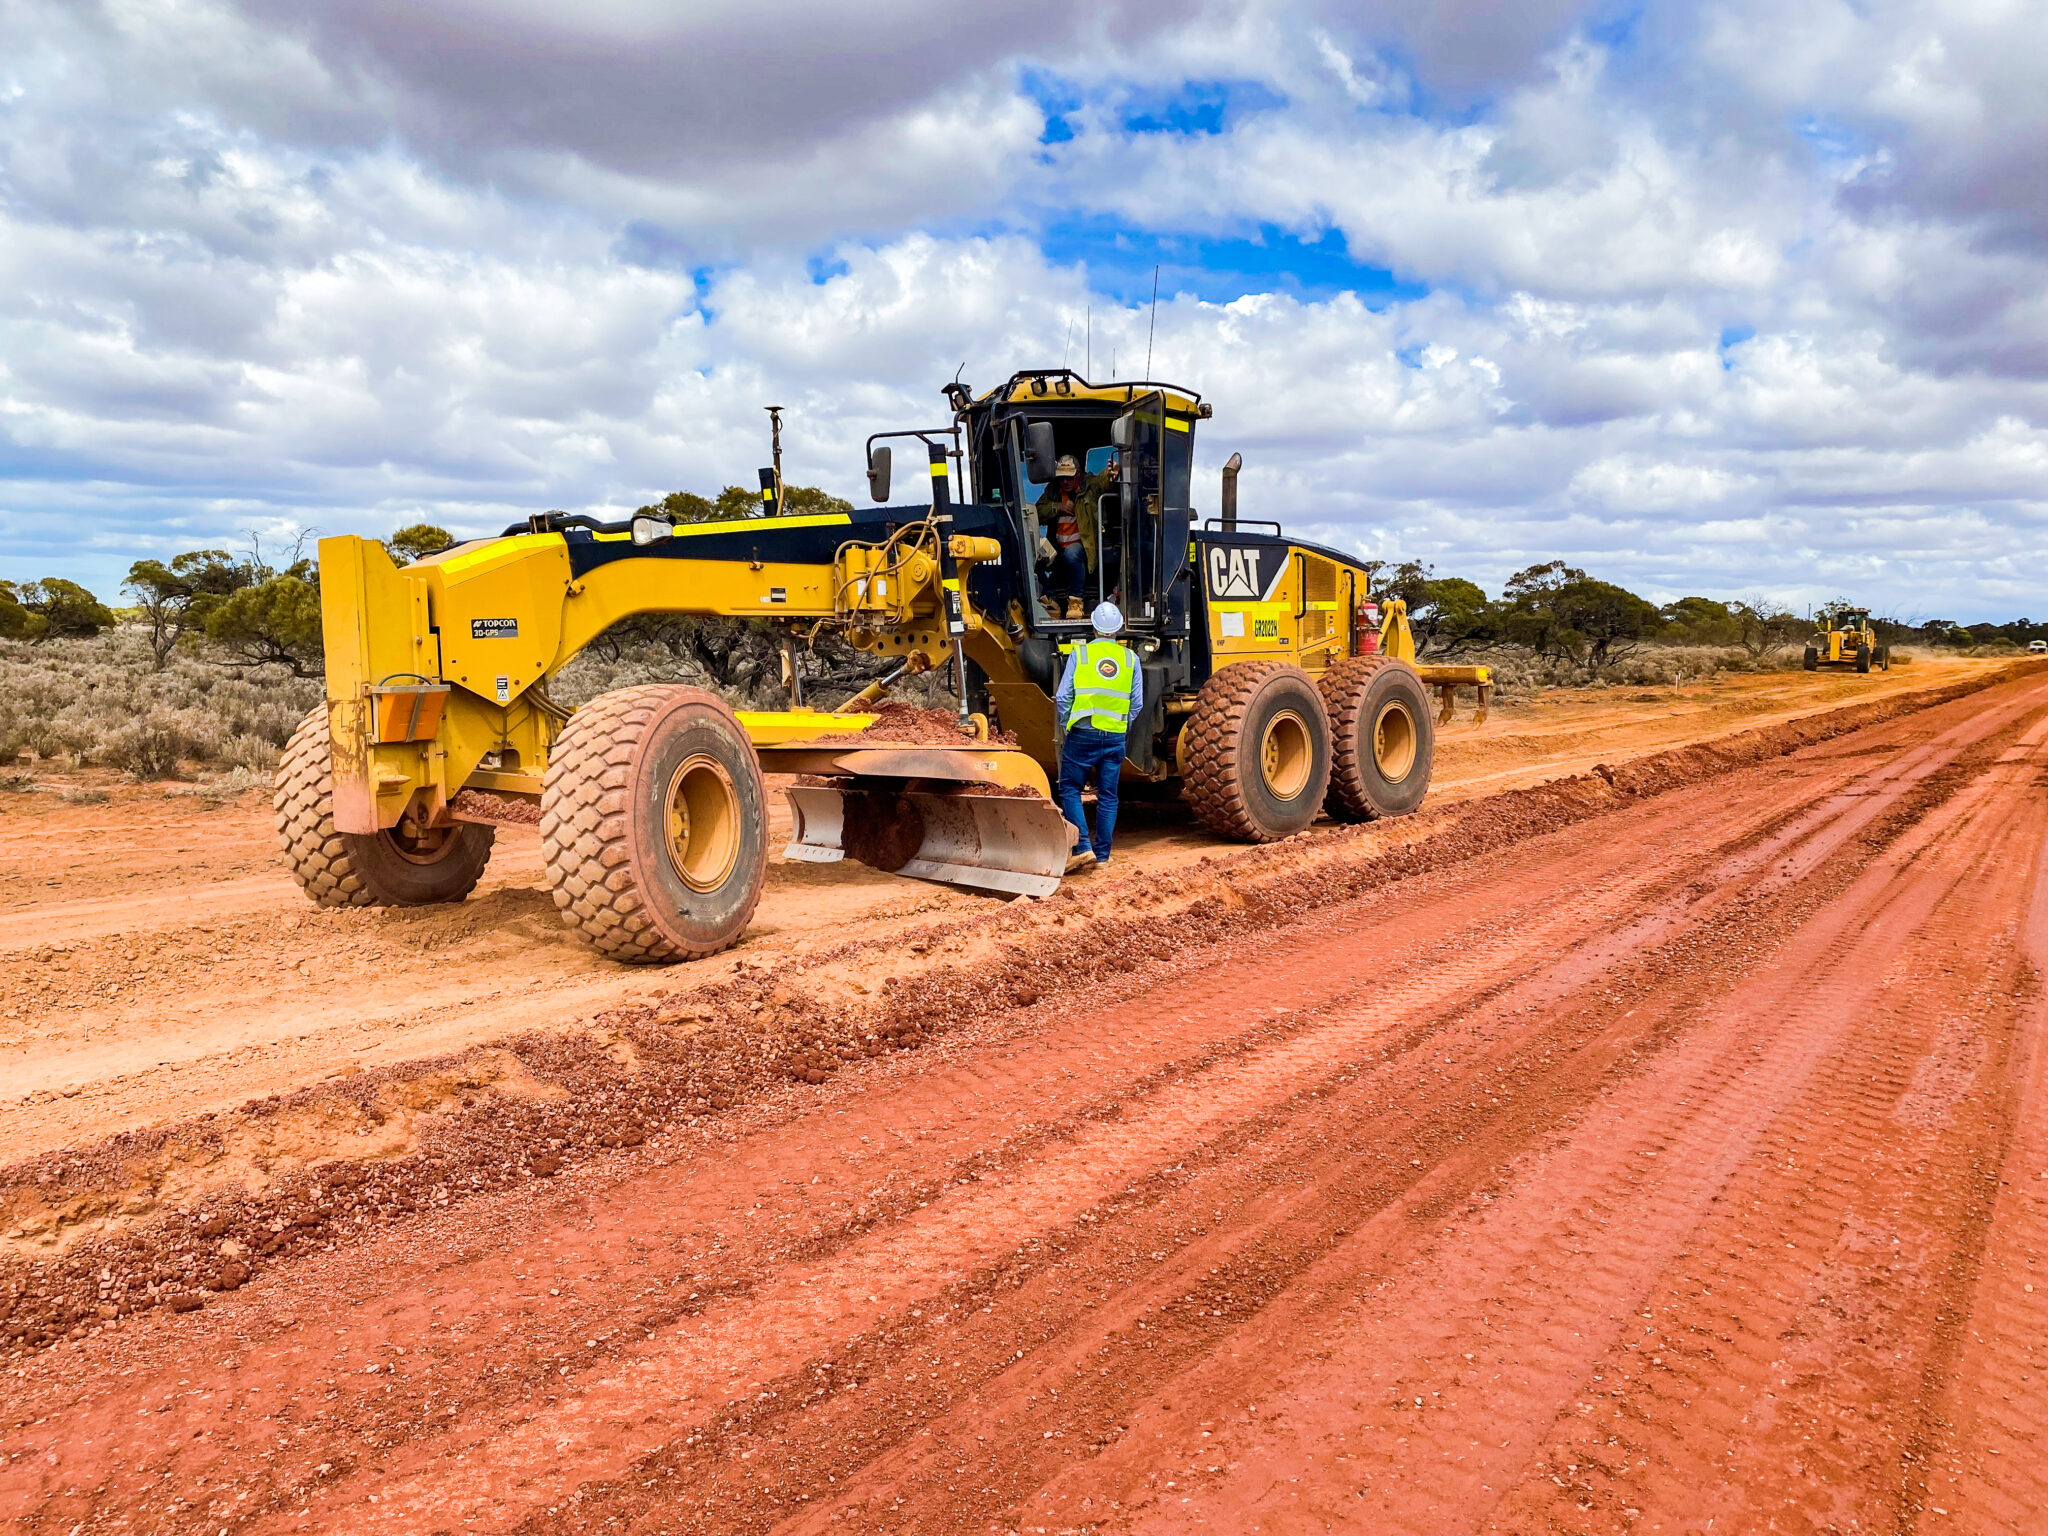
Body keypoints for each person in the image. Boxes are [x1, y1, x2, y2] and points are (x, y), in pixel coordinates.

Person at [1054, 601, 1143, 874]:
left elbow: (1063, 696)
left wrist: (1067, 723)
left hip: (1083, 732)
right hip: (1114, 735)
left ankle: (1083, 847)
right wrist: (1120, 726)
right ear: (1119, 630)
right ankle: (1103, 856)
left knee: (1069, 788)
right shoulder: (1131, 659)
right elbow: (1136, 703)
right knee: (1108, 796)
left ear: (1093, 627)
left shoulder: (1079, 655)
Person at [1038, 454, 1090, 618]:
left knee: (1072, 553)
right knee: (1033, 555)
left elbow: (1102, 483)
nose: (1065, 482)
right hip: (1057, 546)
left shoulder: (1089, 488)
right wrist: (1057, 506)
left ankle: (1075, 603)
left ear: (1078, 475)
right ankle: (1050, 600)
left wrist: (1110, 476)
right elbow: (1038, 510)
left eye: (1069, 478)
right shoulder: (1053, 490)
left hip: (1085, 547)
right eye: (1062, 478)